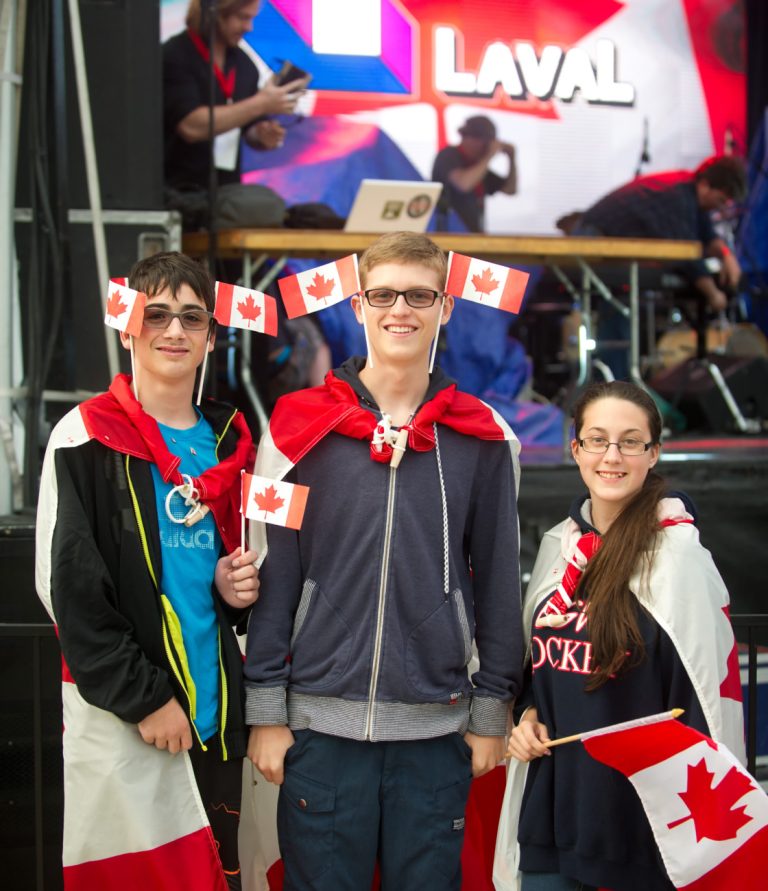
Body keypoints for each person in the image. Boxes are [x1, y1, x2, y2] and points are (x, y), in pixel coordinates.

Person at [243, 231, 524, 890]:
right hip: (318, 727)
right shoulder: (291, 428)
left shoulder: (484, 436)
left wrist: (491, 712)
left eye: (419, 294)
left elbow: (501, 582)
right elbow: (273, 572)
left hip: (436, 732)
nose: (401, 309)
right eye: (383, 294)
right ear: (360, 304)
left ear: (445, 307)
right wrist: (265, 710)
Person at [35, 252, 260, 890]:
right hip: (135, 716)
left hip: (216, 715)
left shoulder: (233, 439)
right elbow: (67, 592)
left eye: (192, 318)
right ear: (127, 324)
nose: (175, 331)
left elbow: (242, 571)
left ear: (212, 336)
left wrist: (234, 591)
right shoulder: (85, 436)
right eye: (156, 314)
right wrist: (148, 698)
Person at [494, 380, 745, 891]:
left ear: (653, 453)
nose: (613, 455)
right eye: (597, 440)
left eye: (631, 441)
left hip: (639, 833)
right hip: (552, 819)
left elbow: (702, 709)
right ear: (576, 449)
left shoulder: (678, 560)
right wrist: (525, 718)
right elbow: (536, 674)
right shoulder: (557, 548)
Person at [572, 156, 747, 378]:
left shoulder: (689, 195)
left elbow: (706, 236)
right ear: (704, 185)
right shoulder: (678, 197)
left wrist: (727, 256)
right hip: (595, 242)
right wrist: (713, 294)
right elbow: (685, 253)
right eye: (720, 199)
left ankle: (616, 384)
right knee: (616, 314)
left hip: (612, 252)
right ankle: (612, 385)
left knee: (620, 314)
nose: (718, 208)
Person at [163, 0, 310, 221]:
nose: (248, 27)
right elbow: (191, 126)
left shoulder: (244, 65)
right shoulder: (175, 55)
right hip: (177, 193)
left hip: (226, 197)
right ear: (214, 14)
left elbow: (245, 128)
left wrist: (260, 133)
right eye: (242, 17)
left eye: (251, 18)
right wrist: (260, 104)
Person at [432, 114, 518, 232]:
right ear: (473, 139)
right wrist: (489, 155)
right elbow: (463, 185)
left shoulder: (477, 167)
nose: (486, 148)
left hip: (472, 235)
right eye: (486, 143)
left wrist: (511, 159)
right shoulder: (449, 155)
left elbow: (510, 189)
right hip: (449, 233)